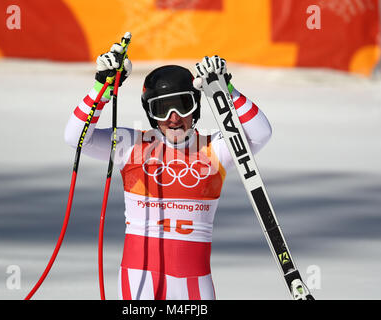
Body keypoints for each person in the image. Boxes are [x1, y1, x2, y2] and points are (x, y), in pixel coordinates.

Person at [64, 43, 272, 300]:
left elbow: (261, 133)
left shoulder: (215, 148)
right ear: (150, 114)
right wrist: (102, 89)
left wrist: (227, 90)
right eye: (162, 109)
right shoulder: (131, 145)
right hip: (140, 278)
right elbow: (76, 138)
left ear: (195, 106)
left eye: (183, 105)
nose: (174, 117)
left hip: (194, 280)